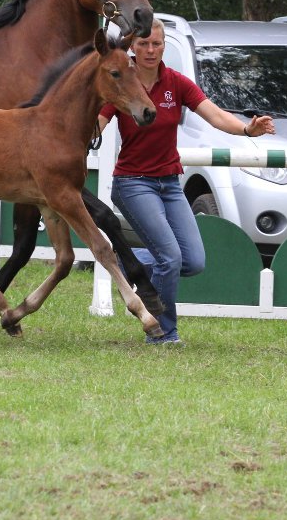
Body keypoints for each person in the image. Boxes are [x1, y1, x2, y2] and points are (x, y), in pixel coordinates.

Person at [98, 18, 276, 344]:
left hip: (169, 183)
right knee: (170, 258)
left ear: (164, 46)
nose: (150, 50)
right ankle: (164, 334)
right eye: (143, 44)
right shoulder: (122, 82)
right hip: (133, 182)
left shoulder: (176, 83)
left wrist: (247, 130)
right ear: (132, 48)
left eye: (157, 44)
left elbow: (214, 114)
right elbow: (97, 121)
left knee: (192, 261)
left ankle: (131, 266)